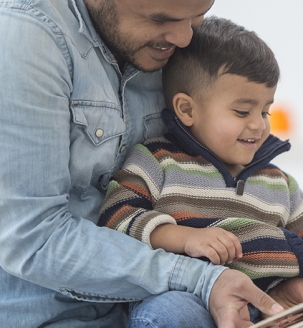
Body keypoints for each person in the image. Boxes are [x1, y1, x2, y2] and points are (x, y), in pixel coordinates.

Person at [98, 16, 303, 328]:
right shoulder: (156, 160)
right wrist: (185, 237)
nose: (259, 124)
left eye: (265, 110)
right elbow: (115, 218)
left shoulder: (279, 184)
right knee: (167, 315)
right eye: (242, 111)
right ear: (187, 110)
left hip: (277, 309)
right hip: (192, 300)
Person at [0, 1, 285, 327]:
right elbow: (34, 239)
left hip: (159, 301)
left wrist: (276, 280)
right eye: (161, 19)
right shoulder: (27, 34)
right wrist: (201, 278)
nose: (184, 38)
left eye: (197, 15)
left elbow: (211, 179)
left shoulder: (171, 41)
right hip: (54, 315)